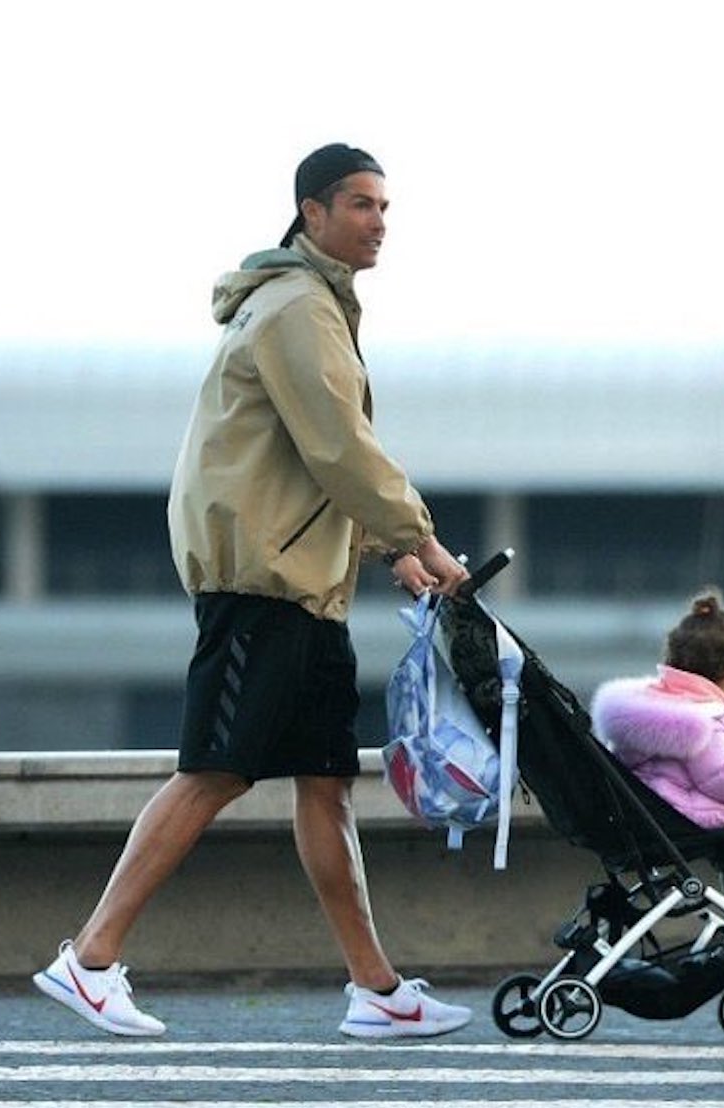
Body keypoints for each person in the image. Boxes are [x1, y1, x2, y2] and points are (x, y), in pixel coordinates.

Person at [32, 143, 474, 1040]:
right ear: (311, 213)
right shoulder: (295, 311)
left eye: (385, 206)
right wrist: (420, 536)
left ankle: (376, 988)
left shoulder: (318, 308)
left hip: (305, 587)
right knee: (215, 769)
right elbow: (338, 447)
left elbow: (316, 460)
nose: (378, 221)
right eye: (359, 204)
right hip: (260, 583)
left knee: (325, 783)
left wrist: (387, 553)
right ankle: (90, 958)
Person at [588, 589, 724, 946]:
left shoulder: (658, 708)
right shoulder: (701, 721)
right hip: (672, 822)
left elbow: (695, 780)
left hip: (650, 812)